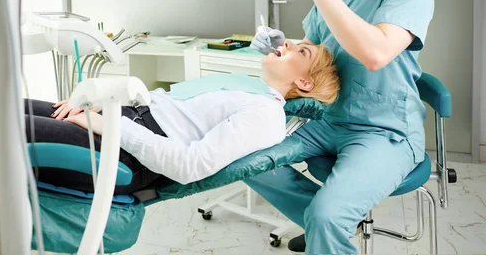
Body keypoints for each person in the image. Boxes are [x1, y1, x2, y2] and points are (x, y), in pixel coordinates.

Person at [248, 0, 434, 254]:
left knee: (327, 216)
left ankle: (327, 222)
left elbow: (377, 53)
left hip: (384, 129)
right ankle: (324, 224)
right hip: (327, 120)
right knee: (244, 160)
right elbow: (317, 51)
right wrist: (282, 46)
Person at [25, 40, 339, 195]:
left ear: (305, 83)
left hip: (129, 157)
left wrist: (110, 125)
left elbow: (189, 166)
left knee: (3, 127)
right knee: (8, 107)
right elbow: (164, 106)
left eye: (302, 52)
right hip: (117, 124)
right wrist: (102, 106)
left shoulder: (266, 115)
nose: (288, 44)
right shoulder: (251, 89)